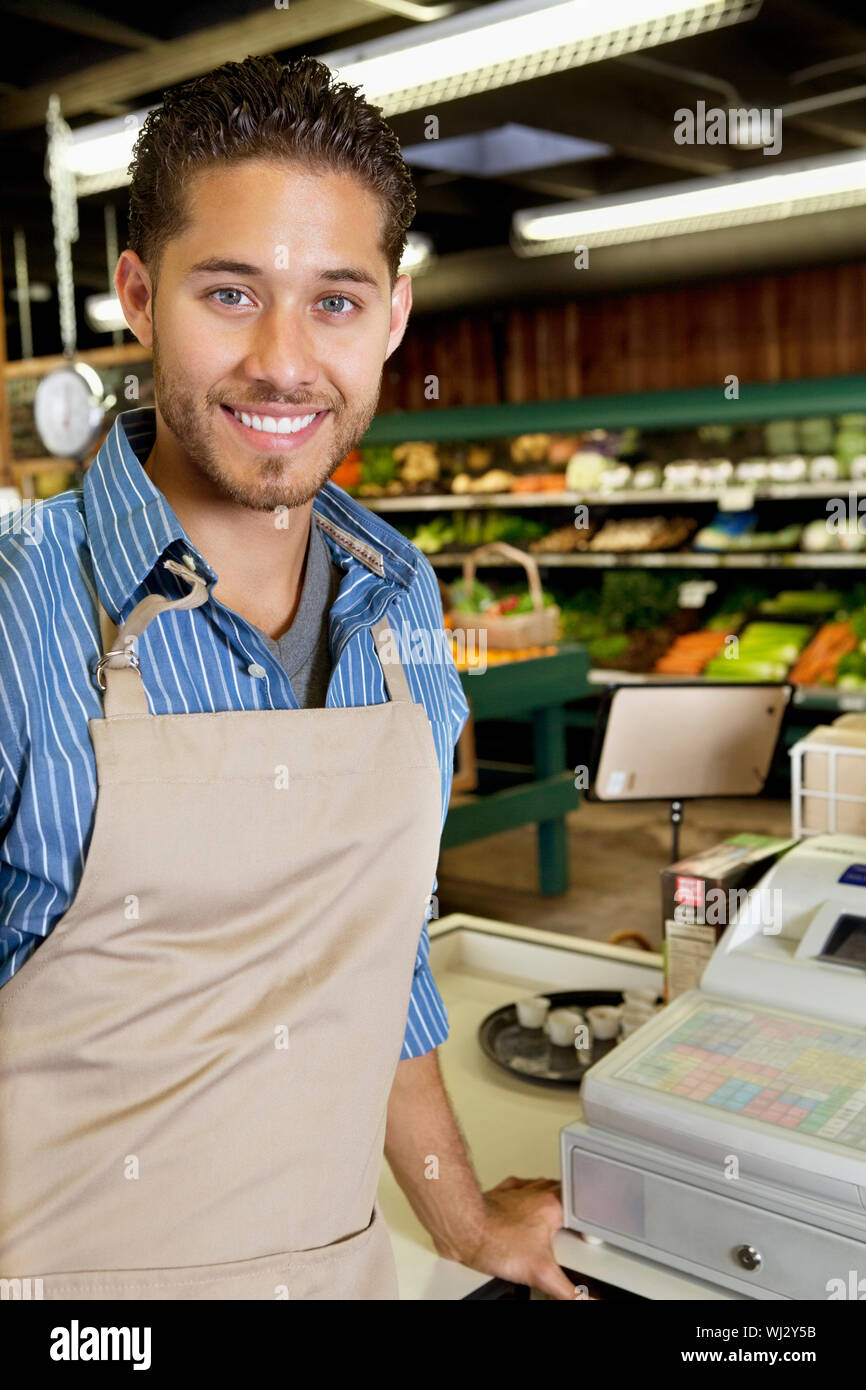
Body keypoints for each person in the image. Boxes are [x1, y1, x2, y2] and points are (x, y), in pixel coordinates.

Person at [0, 54, 577, 1301]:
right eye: (229, 292)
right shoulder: (15, 613)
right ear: (140, 298)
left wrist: (467, 1222)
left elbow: (378, 955)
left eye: (333, 301)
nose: (281, 362)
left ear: (393, 318)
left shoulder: (400, 598)